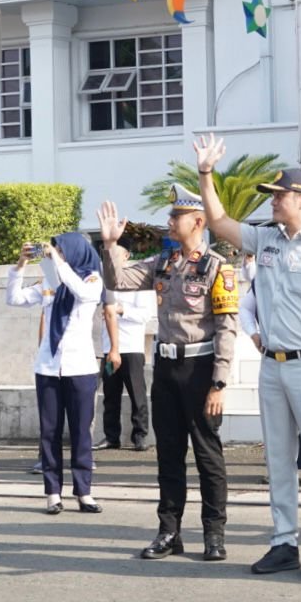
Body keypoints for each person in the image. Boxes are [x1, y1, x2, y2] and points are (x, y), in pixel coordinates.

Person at [195, 134, 301, 582]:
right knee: (278, 458)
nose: (273, 203)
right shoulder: (265, 239)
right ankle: (284, 541)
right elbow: (219, 222)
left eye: (279, 196)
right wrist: (206, 175)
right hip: (274, 365)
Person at [98, 185, 238, 561]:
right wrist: (111, 246)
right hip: (165, 368)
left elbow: (227, 327)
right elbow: (117, 281)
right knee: (169, 455)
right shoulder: (163, 262)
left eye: (176, 216)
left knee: (208, 455)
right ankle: (169, 531)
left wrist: (219, 382)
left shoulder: (217, 267)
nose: (170, 221)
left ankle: (214, 533)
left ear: (198, 221)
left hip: (201, 368)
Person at [7, 234, 105, 516]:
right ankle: (52, 493)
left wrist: (59, 263)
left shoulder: (91, 280)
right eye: (55, 249)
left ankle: (84, 492)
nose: (55, 253)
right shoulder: (50, 281)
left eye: (61, 249)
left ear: (74, 251)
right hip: (48, 367)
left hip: (80, 367)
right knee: (49, 433)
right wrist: (21, 264)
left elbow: (80, 292)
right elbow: (14, 298)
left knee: (81, 433)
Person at [95, 282, 155, 452]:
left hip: (132, 348)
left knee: (137, 394)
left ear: (127, 254)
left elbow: (145, 314)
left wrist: (121, 310)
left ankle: (140, 436)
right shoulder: (105, 283)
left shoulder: (138, 284)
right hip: (108, 349)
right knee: (110, 394)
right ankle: (111, 437)